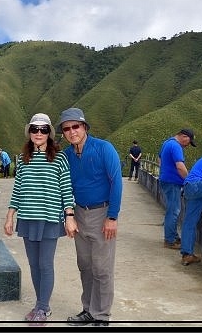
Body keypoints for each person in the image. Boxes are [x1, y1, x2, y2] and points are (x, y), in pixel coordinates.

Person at [4, 113, 76, 325]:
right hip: (27, 218)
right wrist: (10, 216)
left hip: (49, 218)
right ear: (29, 132)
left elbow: (66, 189)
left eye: (43, 129)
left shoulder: (59, 158)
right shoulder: (23, 159)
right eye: (34, 129)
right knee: (34, 265)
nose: (38, 133)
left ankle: (43, 308)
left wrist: (69, 216)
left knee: (45, 264)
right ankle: (40, 305)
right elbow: (18, 190)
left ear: (49, 134)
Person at [57, 107, 123, 327]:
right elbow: (63, 186)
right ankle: (88, 310)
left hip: (102, 213)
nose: (72, 131)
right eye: (66, 128)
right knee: (85, 265)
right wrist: (68, 216)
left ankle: (102, 316)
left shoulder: (104, 148)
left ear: (84, 127)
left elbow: (116, 182)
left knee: (102, 268)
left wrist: (112, 217)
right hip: (79, 214)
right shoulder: (66, 156)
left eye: (76, 126)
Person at [158, 128, 196, 250]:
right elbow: (180, 166)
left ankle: (173, 236)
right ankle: (170, 240)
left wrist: (165, 171)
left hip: (166, 180)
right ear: (184, 137)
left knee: (172, 209)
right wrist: (189, 180)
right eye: (189, 142)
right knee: (173, 211)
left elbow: (160, 159)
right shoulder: (176, 146)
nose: (187, 145)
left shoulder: (167, 143)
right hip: (172, 182)